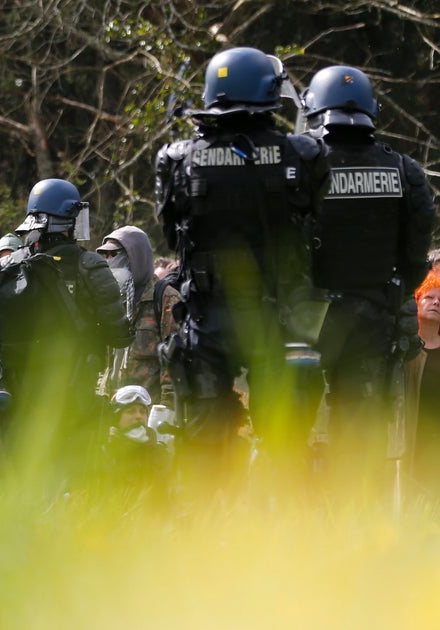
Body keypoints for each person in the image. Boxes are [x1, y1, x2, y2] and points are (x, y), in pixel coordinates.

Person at [155, 47, 331, 497]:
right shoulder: (303, 154)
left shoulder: (178, 159)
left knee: (204, 443)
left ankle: (208, 535)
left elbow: (173, 241)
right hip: (276, 316)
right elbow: (313, 225)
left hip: (207, 317)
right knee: (285, 441)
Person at [300, 65, 436, 492]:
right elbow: (417, 257)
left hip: (307, 317)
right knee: (362, 432)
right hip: (373, 318)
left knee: (294, 429)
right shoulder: (405, 171)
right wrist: (387, 288)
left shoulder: (301, 167)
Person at [0, 178, 131, 490]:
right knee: (74, 484)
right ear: (69, 221)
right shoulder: (90, 265)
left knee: (23, 484)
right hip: (74, 396)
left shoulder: (4, 269)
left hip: (17, 400)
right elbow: (120, 335)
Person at [98, 226, 178, 407]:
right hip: (113, 410)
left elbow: (173, 361)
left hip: (148, 411)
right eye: (106, 256)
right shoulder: (112, 299)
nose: (109, 261)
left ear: (136, 257)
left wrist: (166, 410)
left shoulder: (165, 298)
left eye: (114, 254)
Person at [406, 270, 440, 496]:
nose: (436, 302)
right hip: (409, 439)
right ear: (416, 302)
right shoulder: (404, 348)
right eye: (429, 297)